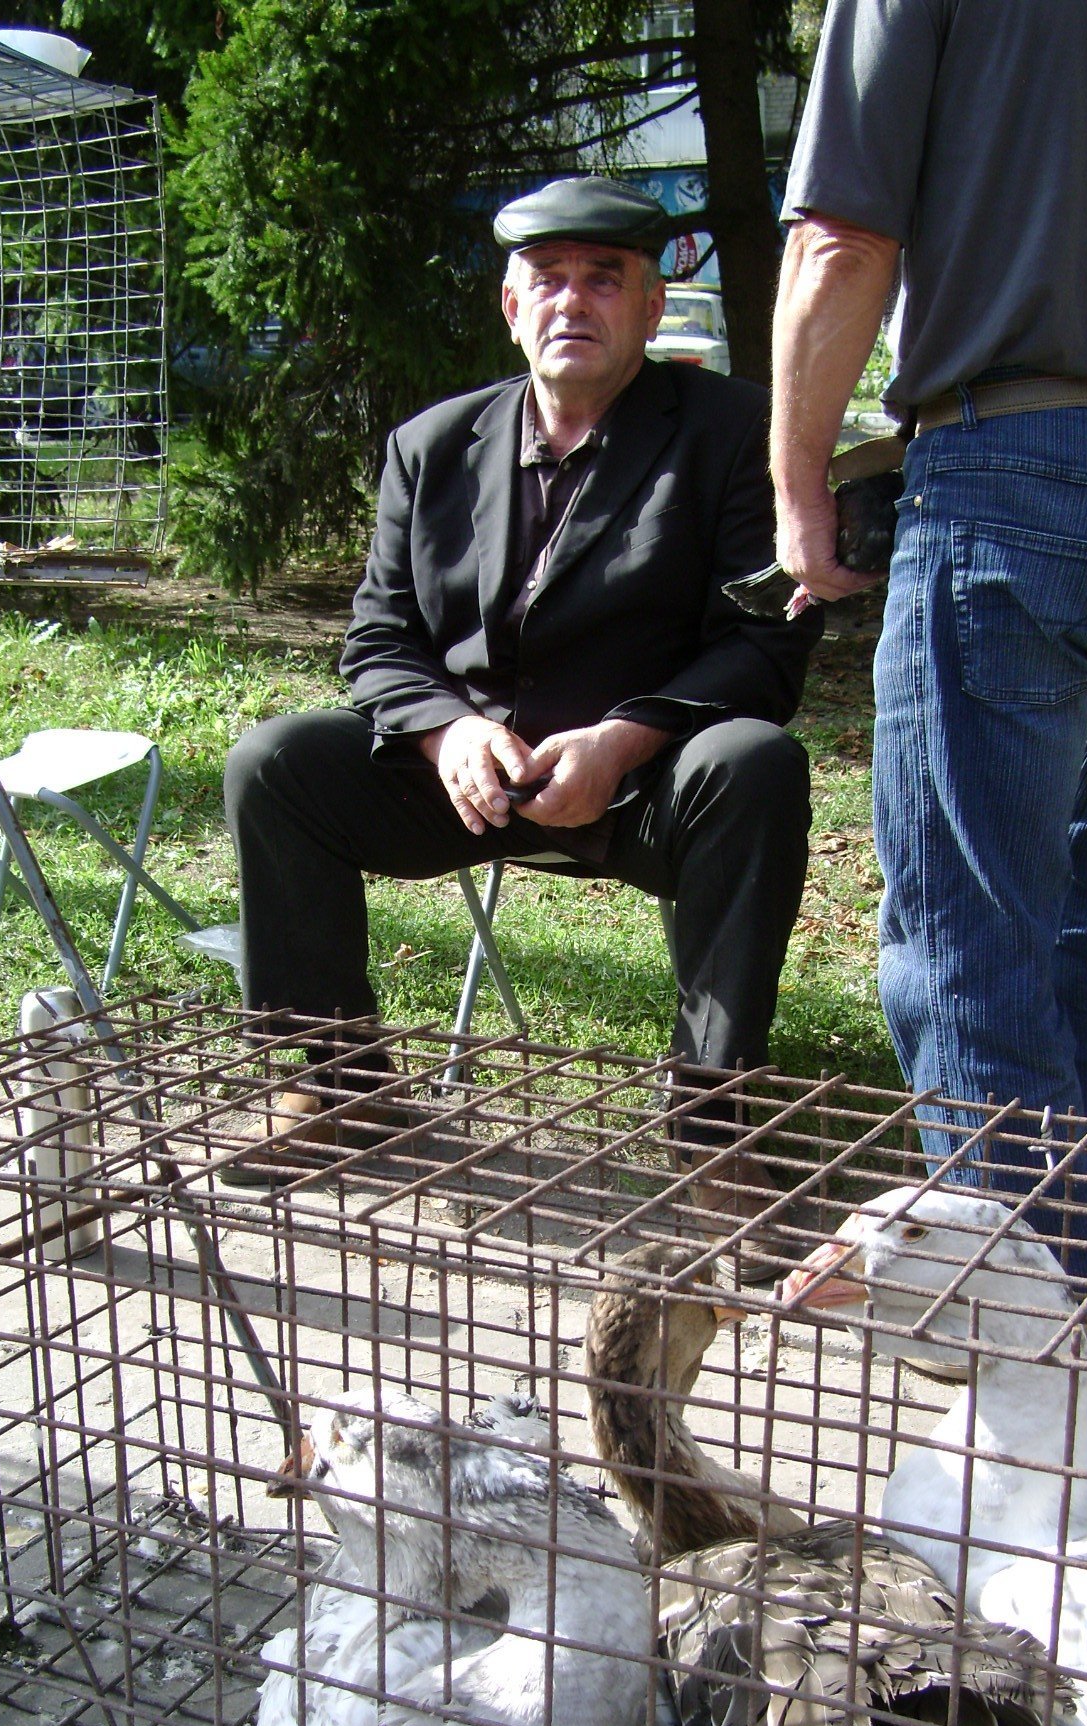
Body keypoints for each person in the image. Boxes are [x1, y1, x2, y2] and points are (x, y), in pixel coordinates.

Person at [771, 0, 1087, 1267]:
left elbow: (843, 243)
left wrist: (794, 489)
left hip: (1014, 477)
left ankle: (1030, 1305)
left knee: (968, 916)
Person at [225, 175, 820, 1192]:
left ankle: (711, 1119)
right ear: (512, 307)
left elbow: (765, 643)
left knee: (755, 762)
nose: (572, 301)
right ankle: (336, 1085)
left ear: (651, 306)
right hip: (465, 782)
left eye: (604, 278)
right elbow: (378, 639)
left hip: (647, 785)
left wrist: (622, 741)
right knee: (274, 763)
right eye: (547, 279)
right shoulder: (430, 446)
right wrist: (446, 733)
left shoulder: (732, 434)